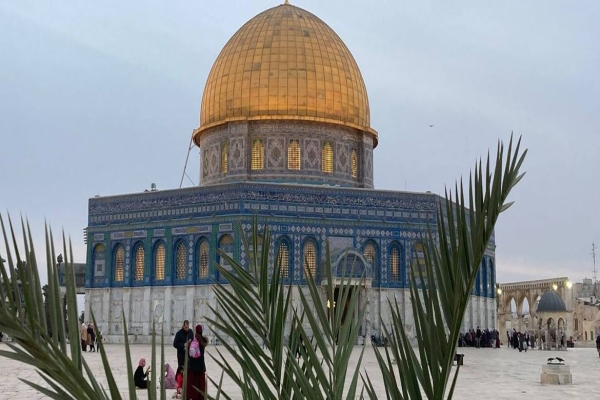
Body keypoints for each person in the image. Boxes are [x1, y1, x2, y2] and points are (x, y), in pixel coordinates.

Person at [187, 324, 208, 400]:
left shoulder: (193, 340)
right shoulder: (202, 341)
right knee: (200, 385)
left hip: (192, 366)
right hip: (200, 366)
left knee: (192, 385)